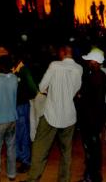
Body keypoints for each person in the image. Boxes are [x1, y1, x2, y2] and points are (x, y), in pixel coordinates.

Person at [24, 44, 83, 182]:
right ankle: (64, 179)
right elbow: (75, 90)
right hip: (69, 116)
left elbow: (42, 86)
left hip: (51, 113)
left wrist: (51, 90)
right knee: (66, 151)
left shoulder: (54, 65)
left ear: (62, 52)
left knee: (40, 148)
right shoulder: (79, 68)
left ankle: (33, 178)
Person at [76, 49, 106, 182]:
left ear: (95, 62)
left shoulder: (92, 77)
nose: (88, 62)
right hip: (96, 118)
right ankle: (94, 173)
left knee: (90, 148)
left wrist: (80, 96)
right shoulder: (101, 74)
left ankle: (91, 176)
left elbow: (89, 99)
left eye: (90, 60)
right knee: (95, 147)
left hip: (90, 119)